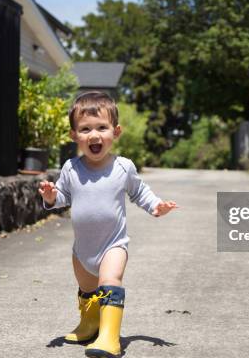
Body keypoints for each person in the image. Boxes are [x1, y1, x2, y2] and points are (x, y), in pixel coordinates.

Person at [39, 91, 177, 358]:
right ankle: (90, 323)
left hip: (113, 244)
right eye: (85, 129)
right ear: (73, 136)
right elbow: (63, 197)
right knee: (88, 289)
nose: (94, 135)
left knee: (110, 280)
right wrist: (51, 196)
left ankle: (110, 337)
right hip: (82, 250)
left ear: (116, 132)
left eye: (102, 128)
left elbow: (140, 192)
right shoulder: (71, 168)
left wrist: (156, 206)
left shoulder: (123, 167)